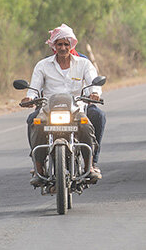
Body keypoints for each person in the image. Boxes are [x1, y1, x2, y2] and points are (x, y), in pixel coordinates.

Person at [22, 24, 105, 185]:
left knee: (88, 125)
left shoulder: (83, 64)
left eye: (66, 44)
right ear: (54, 46)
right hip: (48, 109)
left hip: (76, 108)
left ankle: (90, 165)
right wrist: (29, 97)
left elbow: (93, 83)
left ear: (71, 45)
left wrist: (94, 93)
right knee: (34, 122)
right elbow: (34, 87)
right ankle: (38, 168)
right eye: (59, 44)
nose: (63, 47)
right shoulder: (43, 65)